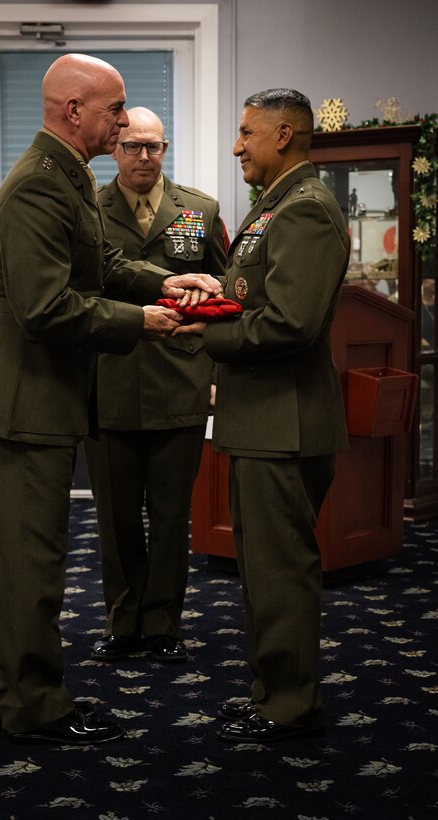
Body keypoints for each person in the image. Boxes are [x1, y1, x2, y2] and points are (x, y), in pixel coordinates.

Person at [0, 53, 222, 747]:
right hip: (25, 399)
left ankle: (7, 691)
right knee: (33, 561)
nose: (124, 120)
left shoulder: (65, 176)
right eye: (114, 107)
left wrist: (160, 285)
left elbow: (99, 265)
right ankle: (36, 706)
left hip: (39, 394)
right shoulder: (39, 188)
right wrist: (143, 322)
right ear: (73, 111)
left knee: (22, 557)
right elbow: (46, 308)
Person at [177, 89, 350, 743]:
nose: (236, 146)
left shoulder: (303, 210)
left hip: (285, 423)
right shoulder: (273, 208)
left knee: (279, 572)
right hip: (262, 419)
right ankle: (272, 691)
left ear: (284, 134)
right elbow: (254, 296)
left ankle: (289, 705)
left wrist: (199, 331)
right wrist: (212, 300)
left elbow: (289, 325)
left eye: (246, 133)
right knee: (262, 570)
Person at [84, 107, 227, 664]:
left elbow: (222, 295)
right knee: (116, 515)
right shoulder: (88, 208)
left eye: (155, 147)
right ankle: (123, 621)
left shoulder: (198, 209)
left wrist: (213, 372)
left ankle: (163, 622)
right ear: (114, 148)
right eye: (133, 147)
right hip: (111, 378)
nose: (144, 157)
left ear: (165, 149)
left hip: (180, 378)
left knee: (171, 514)